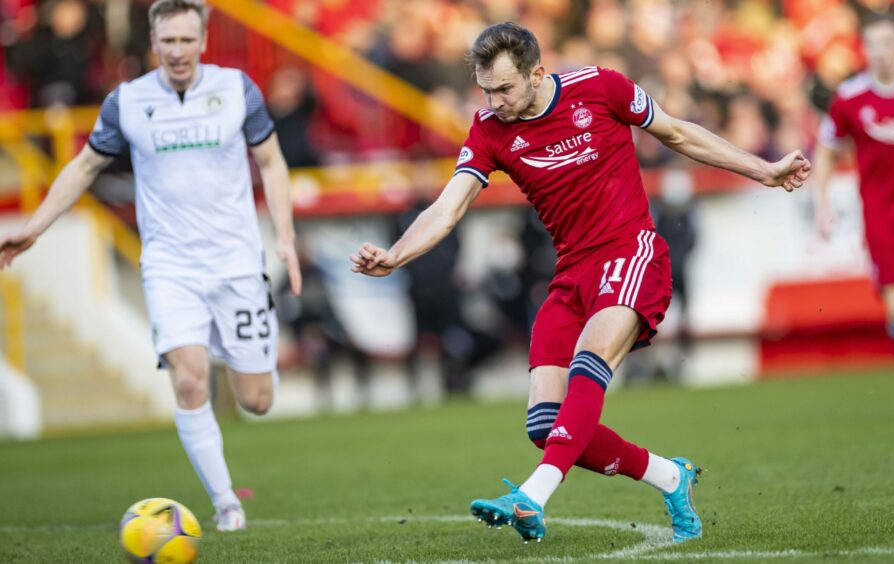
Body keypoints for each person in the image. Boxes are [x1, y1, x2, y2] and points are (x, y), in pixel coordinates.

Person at [351, 22, 810, 544]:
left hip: (630, 252)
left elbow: (678, 133)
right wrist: (395, 255)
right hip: (570, 274)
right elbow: (449, 206)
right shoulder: (489, 130)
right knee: (545, 427)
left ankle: (533, 496)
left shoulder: (600, 87)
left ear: (536, 73)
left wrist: (764, 170)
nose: (494, 101)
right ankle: (670, 475)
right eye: (485, 90)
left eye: (504, 88)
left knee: (590, 361)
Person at [0, 0, 301, 531]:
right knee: (189, 382)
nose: (178, 51)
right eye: (169, 41)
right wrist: (35, 227)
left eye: (188, 40)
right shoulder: (128, 102)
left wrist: (285, 235)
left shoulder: (237, 90)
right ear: (153, 42)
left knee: (256, 399)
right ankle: (226, 502)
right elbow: (84, 165)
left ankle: (243, 369)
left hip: (235, 262)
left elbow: (272, 161)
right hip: (169, 265)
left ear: (203, 40)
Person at [813, 15, 894, 426]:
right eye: (873, 45)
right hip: (882, 217)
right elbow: (827, 148)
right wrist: (823, 202)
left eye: (888, 43)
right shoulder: (849, 98)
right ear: (864, 51)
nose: (882, 52)